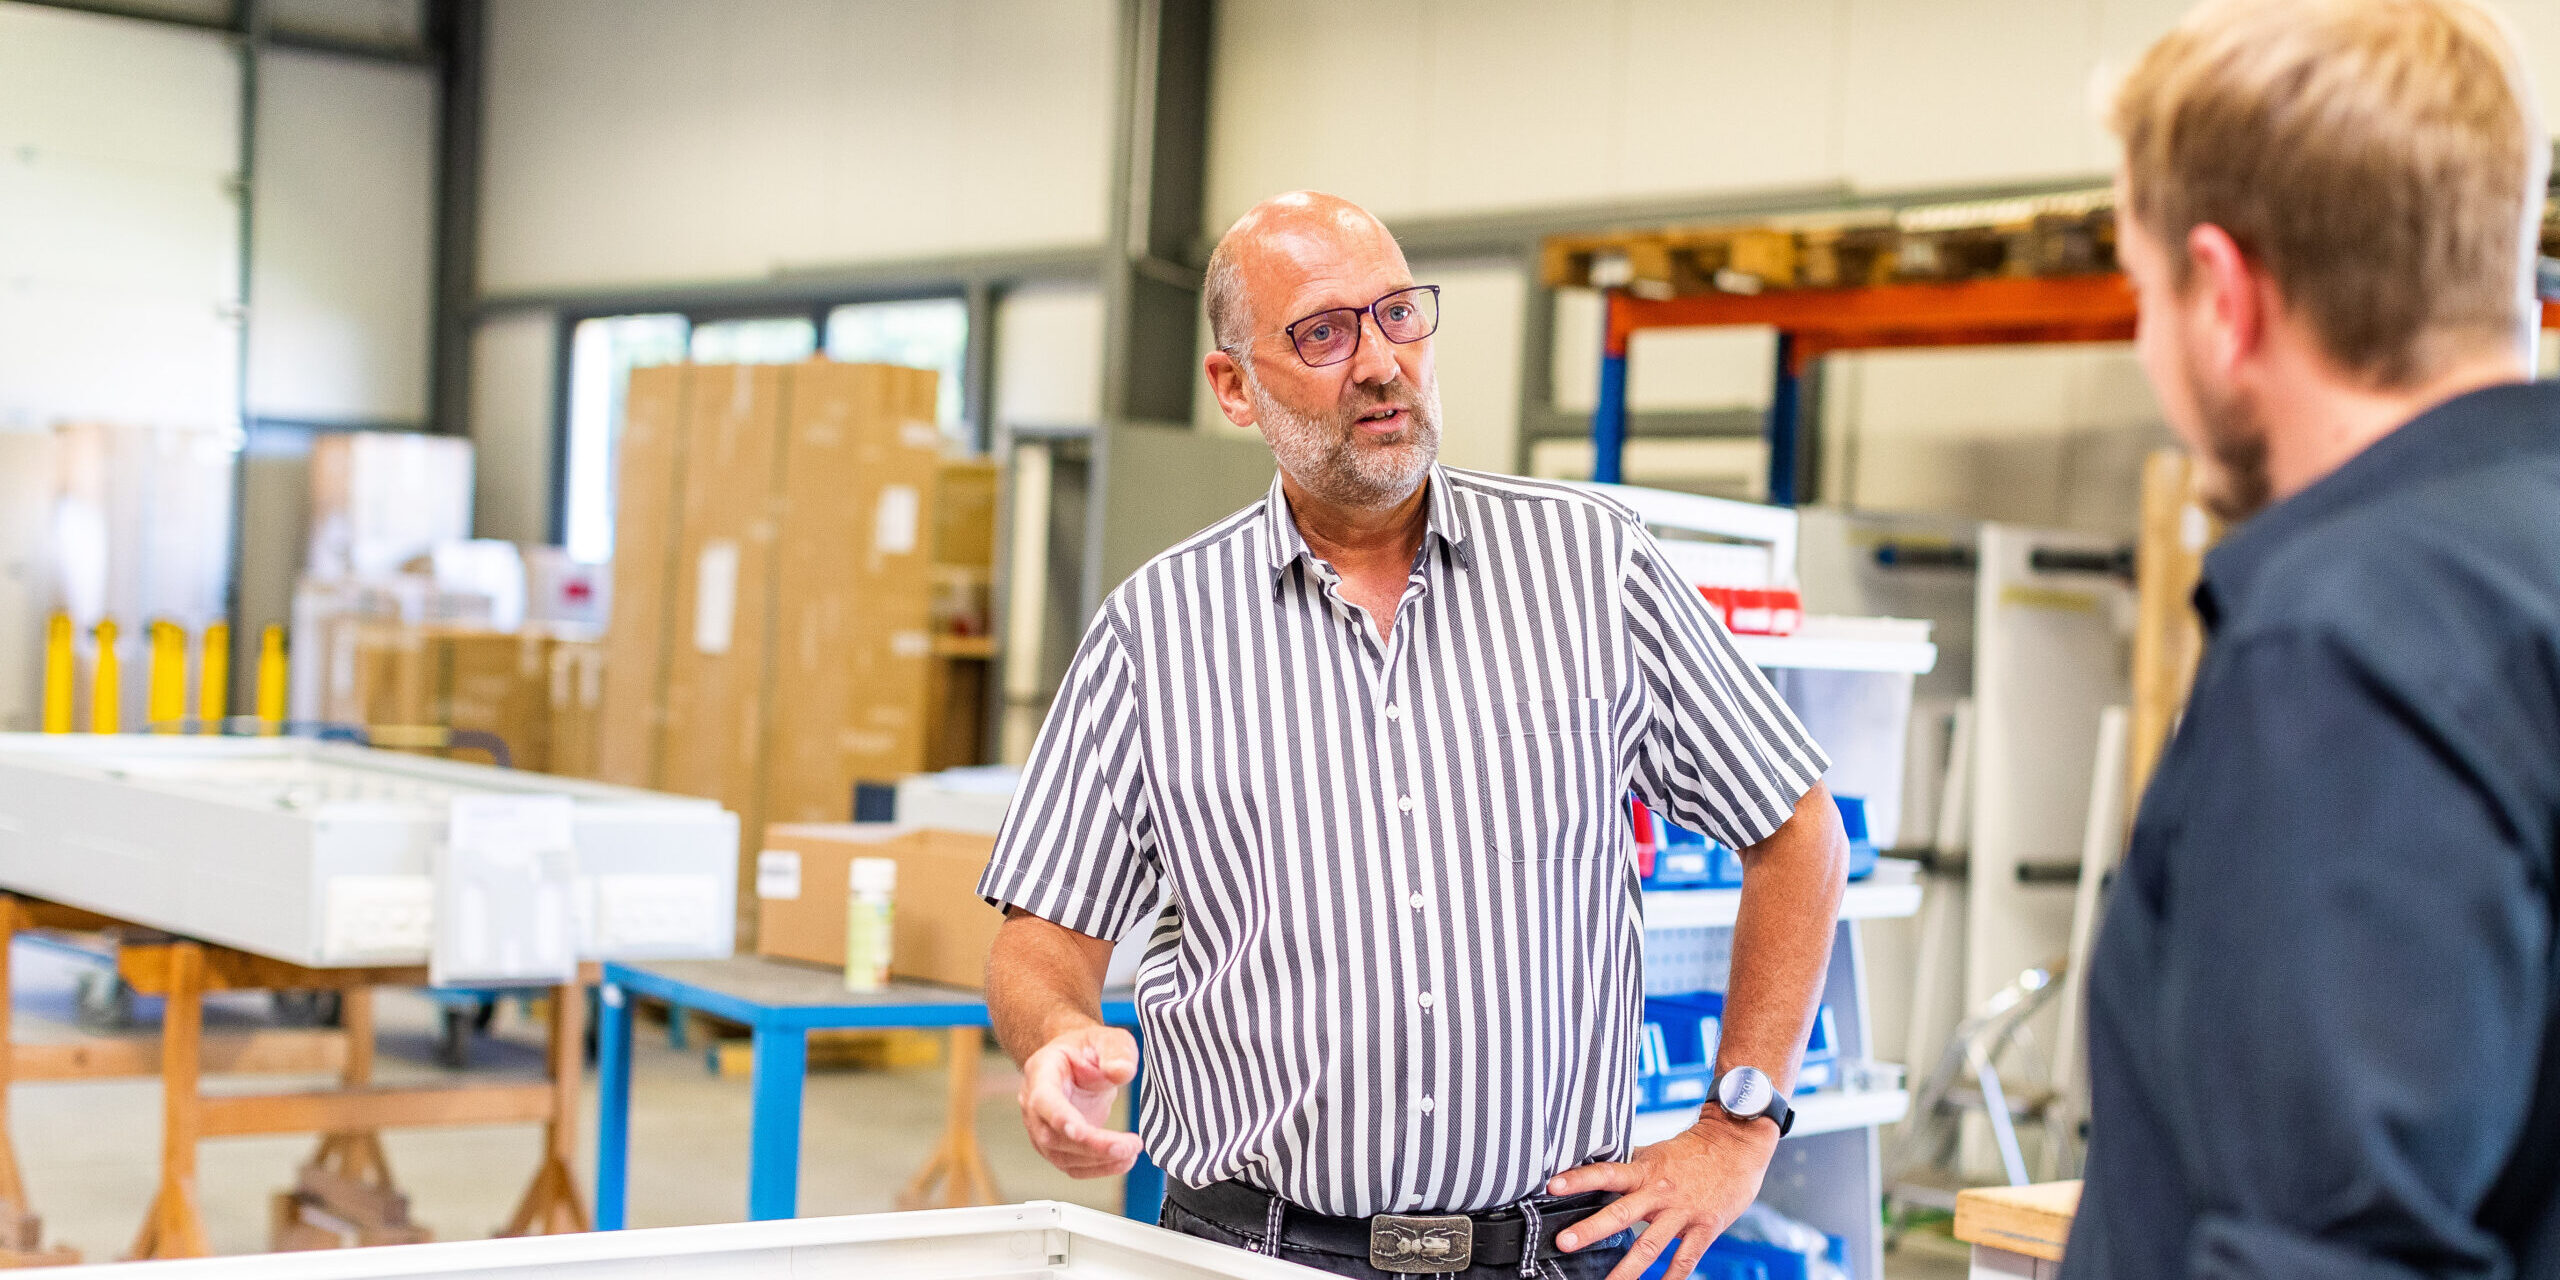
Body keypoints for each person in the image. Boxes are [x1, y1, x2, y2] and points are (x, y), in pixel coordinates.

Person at [978, 191, 1851, 1280]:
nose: (1382, 363)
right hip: (1255, 1250)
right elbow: (1042, 934)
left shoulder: (1593, 568)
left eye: (1398, 314)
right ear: (1234, 386)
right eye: (1323, 333)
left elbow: (1796, 827)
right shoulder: (1154, 632)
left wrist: (1739, 1123)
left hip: (1546, 1251)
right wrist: (1057, 1034)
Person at [2070, 1, 2559, 1276]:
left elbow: (2334, 1252)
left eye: (2142, 291)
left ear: (2224, 298)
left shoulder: (2341, 645)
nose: (2144, 341)